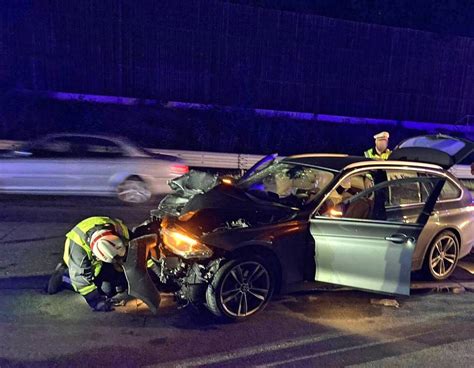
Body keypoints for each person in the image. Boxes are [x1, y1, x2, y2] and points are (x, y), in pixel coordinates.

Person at [47, 216, 131, 312]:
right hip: (83, 266)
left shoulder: (120, 231)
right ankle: (64, 277)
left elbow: (137, 248)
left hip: (103, 258)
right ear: (98, 256)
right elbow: (82, 283)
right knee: (105, 290)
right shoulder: (78, 252)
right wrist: (97, 302)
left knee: (118, 286)